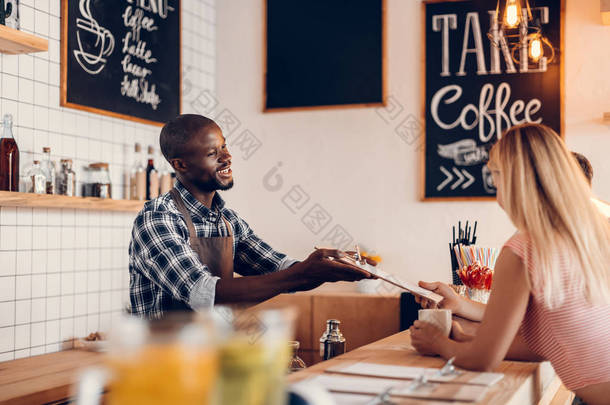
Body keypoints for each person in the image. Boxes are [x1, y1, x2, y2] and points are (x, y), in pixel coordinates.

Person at [410, 124, 610, 405]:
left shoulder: (522, 249)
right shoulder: (589, 233)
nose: (496, 192)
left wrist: (437, 343)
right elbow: (547, 345)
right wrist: (464, 342)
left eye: (495, 177)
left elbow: (483, 361)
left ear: (513, 180)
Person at [129, 114, 374, 318]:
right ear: (181, 165)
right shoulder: (158, 218)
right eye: (212, 153)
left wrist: (329, 268)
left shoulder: (227, 220)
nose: (227, 157)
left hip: (214, 358)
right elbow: (204, 293)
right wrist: (304, 272)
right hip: (162, 364)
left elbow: (278, 269)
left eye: (224, 146)